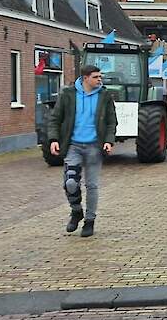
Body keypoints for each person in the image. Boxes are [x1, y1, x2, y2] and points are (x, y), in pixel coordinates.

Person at [47, 64, 117, 238]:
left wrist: (109, 141)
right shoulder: (68, 95)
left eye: (100, 77)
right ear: (85, 78)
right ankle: (76, 211)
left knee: (91, 185)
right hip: (73, 145)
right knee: (70, 182)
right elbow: (55, 118)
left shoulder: (105, 95)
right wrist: (54, 139)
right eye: (96, 77)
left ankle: (89, 221)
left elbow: (111, 121)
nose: (100, 80)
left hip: (95, 145)